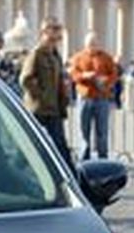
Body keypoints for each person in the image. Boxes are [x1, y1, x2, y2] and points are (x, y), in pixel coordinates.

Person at [20, 19, 71, 164]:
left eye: (57, 37)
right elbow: (25, 79)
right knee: (31, 145)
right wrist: (40, 96)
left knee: (61, 147)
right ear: (43, 34)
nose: (54, 40)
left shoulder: (56, 56)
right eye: (51, 36)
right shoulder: (36, 54)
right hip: (39, 109)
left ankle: (71, 177)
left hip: (54, 109)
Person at [69, 31, 119, 160]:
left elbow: (114, 74)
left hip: (101, 98)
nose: (93, 46)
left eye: (95, 44)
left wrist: (106, 82)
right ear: (85, 45)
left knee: (102, 131)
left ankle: (103, 157)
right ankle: (84, 157)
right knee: (83, 130)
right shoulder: (78, 58)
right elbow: (73, 75)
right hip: (85, 97)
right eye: (90, 44)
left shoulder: (106, 58)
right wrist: (84, 76)